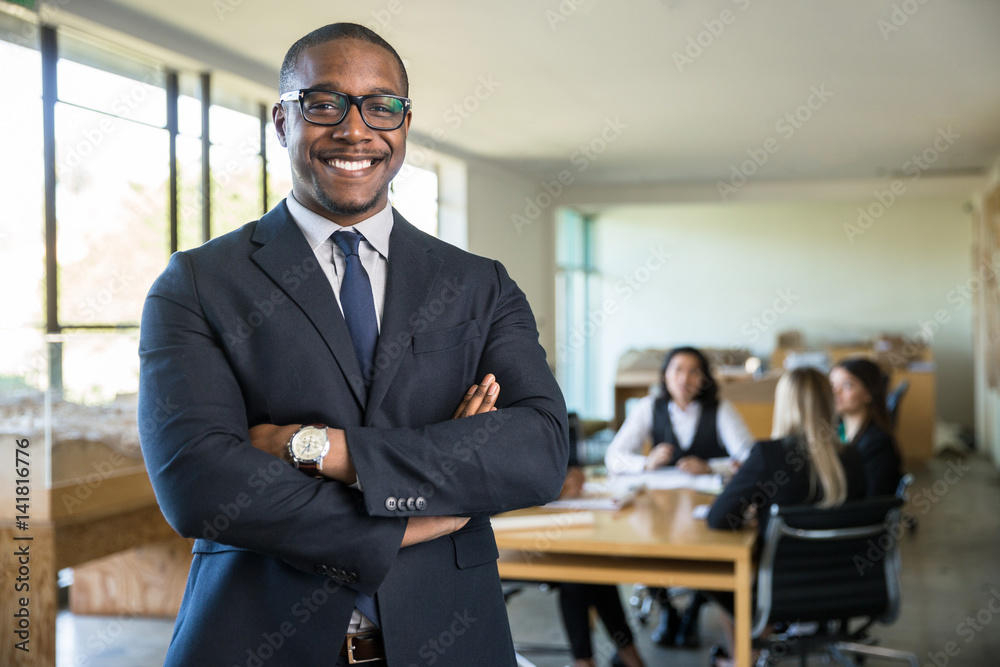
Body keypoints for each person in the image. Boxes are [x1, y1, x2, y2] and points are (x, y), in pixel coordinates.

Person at [137, 23, 568, 667]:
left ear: (404, 124)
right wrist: (426, 515)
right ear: (283, 122)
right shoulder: (198, 283)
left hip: (450, 640)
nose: (354, 129)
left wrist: (322, 449)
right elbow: (199, 483)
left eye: (381, 105)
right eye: (324, 103)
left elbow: (537, 452)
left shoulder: (479, 284)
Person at [704, 367, 867, 666]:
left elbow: (718, 519)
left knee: (716, 568)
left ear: (784, 404)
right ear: (828, 404)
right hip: (846, 586)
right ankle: (748, 653)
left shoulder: (769, 456)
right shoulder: (853, 458)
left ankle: (742, 657)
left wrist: (751, 504)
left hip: (779, 593)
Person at [604, 346, 754, 647]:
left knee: (707, 548)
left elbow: (750, 457)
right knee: (645, 542)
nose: (684, 378)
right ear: (666, 376)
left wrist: (709, 466)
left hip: (704, 502)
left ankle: (694, 611)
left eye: (693, 371)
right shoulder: (650, 407)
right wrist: (645, 462)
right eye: (677, 370)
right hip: (660, 504)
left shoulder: (719, 409)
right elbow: (614, 456)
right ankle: (667, 609)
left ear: (704, 378)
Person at [556, 416, 646, 667]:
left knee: (591, 563)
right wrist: (554, 485)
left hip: (546, 519)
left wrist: (567, 473)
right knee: (577, 568)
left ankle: (622, 656)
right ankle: (610, 659)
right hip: (499, 538)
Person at [830, 357, 904, 497]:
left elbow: (874, 500)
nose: (836, 392)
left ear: (869, 393)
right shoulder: (836, 432)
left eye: (847, 385)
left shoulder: (878, 442)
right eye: (832, 385)